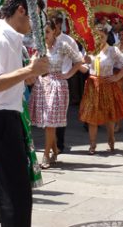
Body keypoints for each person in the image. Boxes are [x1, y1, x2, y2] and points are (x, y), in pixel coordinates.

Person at [0, 0, 49, 227]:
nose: (36, 24)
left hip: (8, 117)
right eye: (36, 16)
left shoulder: (13, 38)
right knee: (16, 195)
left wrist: (30, 74)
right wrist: (28, 71)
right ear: (22, 11)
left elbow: (13, 80)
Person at [28, 19, 85, 168]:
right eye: (42, 32)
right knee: (46, 122)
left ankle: (46, 155)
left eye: (47, 31)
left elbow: (79, 61)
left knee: (50, 122)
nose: (44, 35)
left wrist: (68, 74)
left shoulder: (63, 45)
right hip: (41, 85)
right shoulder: (39, 47)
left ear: (55, 31)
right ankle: (54, 149)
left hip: (57, 84)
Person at [79, 25, 123, 154]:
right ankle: (92, 144)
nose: (99, 39)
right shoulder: (90, 50)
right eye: (96, 36)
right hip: (92, 85)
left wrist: (117, 77)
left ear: (107, 36)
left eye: (101, 36)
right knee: (92, 117)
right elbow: (85, 69)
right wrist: (80, 62)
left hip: (107, 84)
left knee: (109, 116)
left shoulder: (113, 50)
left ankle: (111, 138)